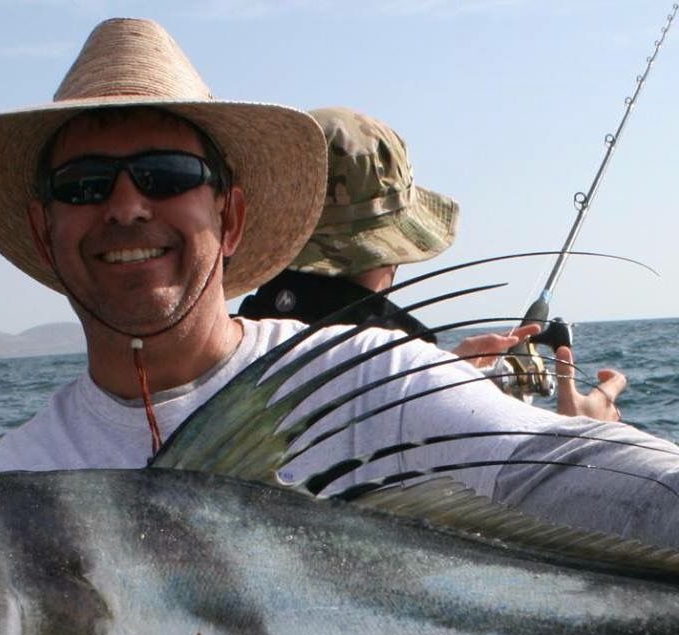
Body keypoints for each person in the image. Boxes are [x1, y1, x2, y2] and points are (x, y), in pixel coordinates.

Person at [0, 17, 679, 635]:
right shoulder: (5, 494)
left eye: (167, 173)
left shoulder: (372, 380)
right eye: (84, 184)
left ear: (232, 211)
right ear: (45, 229)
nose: (127, 204)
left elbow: (561, 466)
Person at [238, 107, 626, 422]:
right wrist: (588, 433)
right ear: (390, 248)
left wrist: (444, 371)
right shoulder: (400, 379)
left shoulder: (232, 353)